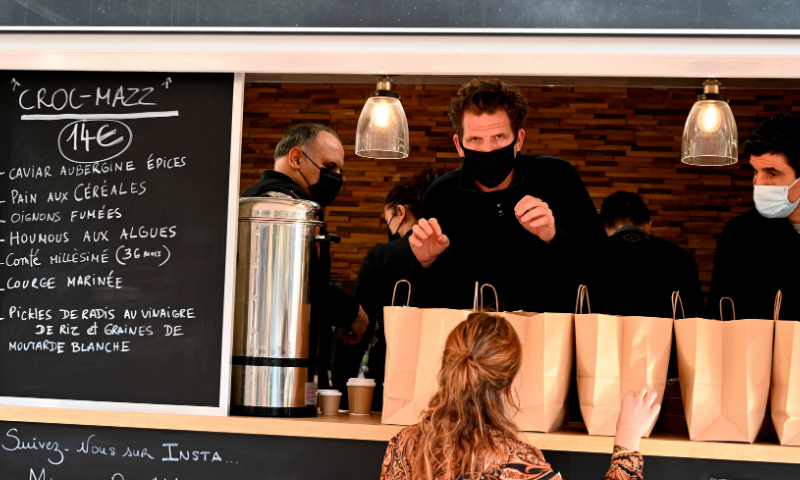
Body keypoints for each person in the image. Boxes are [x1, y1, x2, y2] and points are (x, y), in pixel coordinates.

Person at [381, 312, 659, 480]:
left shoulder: (402, 444)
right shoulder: (518, 465)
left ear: (445, 368)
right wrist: (626, 444)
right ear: (510, 384)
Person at [409, 79, 607, 313]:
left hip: (549, 339)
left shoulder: (557, 177)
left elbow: (604, 268)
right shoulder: (441, 196)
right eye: (475, 139)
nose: (488, 150)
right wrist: (424, 262)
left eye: (499, 137)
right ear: (458, 144)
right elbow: (423, 299)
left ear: (519, 139)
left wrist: (555, 236)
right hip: (473, 343)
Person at [240, 123, 369, 384]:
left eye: (340, 169)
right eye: (330, 166)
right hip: (274, 367)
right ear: (296, 158)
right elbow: (295, 284)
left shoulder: (258, 198)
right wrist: (353, 313)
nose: (337, 177)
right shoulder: (280, 207)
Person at [335, 168, 444, 411]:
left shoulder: (382, 257)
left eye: (388, 221)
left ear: (401, 212)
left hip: (393, 380)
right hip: (452, 383)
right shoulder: (459, 253)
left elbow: (359, 328)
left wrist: (341, 392)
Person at [707, 113, 800, 320]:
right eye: (756, 172)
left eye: (772, 173)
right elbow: (718, 313)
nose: (758, 183)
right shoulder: (739, 234)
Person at [600, 191, 704, 318]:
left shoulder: (589, 255)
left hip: (603, 337)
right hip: (665, 337)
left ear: (603, 228)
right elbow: (694, 316)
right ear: (648, 226)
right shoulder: (681, 258)